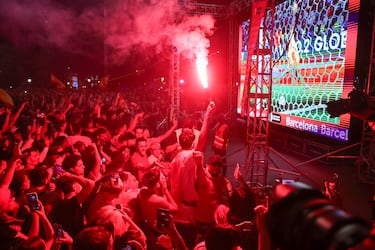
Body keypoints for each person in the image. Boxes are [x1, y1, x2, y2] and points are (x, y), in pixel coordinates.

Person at [193, 153, 232, 243]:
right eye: (214, 165)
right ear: (208, 165)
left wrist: (230, 192)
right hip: (201, 221)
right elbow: (199, 170)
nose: (216, 167)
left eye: (218, 166)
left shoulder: (220, 179)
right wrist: (199, 163)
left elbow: (227, 182)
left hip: (213, 222)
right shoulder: (203, 177)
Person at [138, 168, 178, 249]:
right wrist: (165, 190)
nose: (165, 180)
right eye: (163, 179)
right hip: (160, 237)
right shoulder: (158, 200)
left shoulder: (142, 193)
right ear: (158, 183)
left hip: (149, 232)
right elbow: (176, 209)